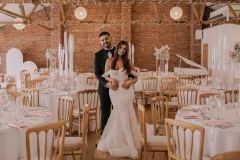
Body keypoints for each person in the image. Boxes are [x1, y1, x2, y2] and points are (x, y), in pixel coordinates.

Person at [97, 40, 141, 159]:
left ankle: (127, 141)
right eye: (120, 48)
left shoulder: (128, 61)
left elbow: (137, 77)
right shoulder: (109, 61)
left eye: (125, 49)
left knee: (124, 113)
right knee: (118, 113)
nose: (122, 50)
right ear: (117, 48)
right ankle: (118, 139)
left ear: (126, 51)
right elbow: (105, 75)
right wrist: (112, 80)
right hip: (115, 92)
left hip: (126, 92)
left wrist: (131, 81)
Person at [94, 31, 118, 133]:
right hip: (104, 89)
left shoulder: (119, 51)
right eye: (102, 40)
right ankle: (104, 137)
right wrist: (107, 83)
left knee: (117, 112)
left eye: (106, 39)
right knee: (105, 113)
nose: (105, 41)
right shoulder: (98, 55)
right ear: (100, 42)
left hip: (118, 88)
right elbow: (97, 73)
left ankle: (117, 135)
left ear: (110, 38)